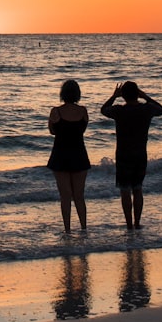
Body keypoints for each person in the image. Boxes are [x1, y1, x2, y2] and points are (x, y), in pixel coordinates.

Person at [100, 81, 162, 229]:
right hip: (140, 154)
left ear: (123, 96)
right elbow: (161, 110)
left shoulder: (119, 111)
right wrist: (146, 96)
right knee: (137, 189)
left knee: (125, 190)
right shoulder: (146, 109)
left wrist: (113, 96)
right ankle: (137, 223)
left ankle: (129, 224)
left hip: (123, 154)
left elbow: (104, 110)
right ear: (137, 94)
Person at [47, 79, 90, 232]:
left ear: (62, 94)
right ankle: (84, 227)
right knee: (79, 195)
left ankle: (67, 229)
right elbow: (82, 130)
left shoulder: (56, 111)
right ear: (78, 94)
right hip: (79, 154)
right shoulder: (83, 111)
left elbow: (52, 131)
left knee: (65, 196)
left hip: (60, 155)